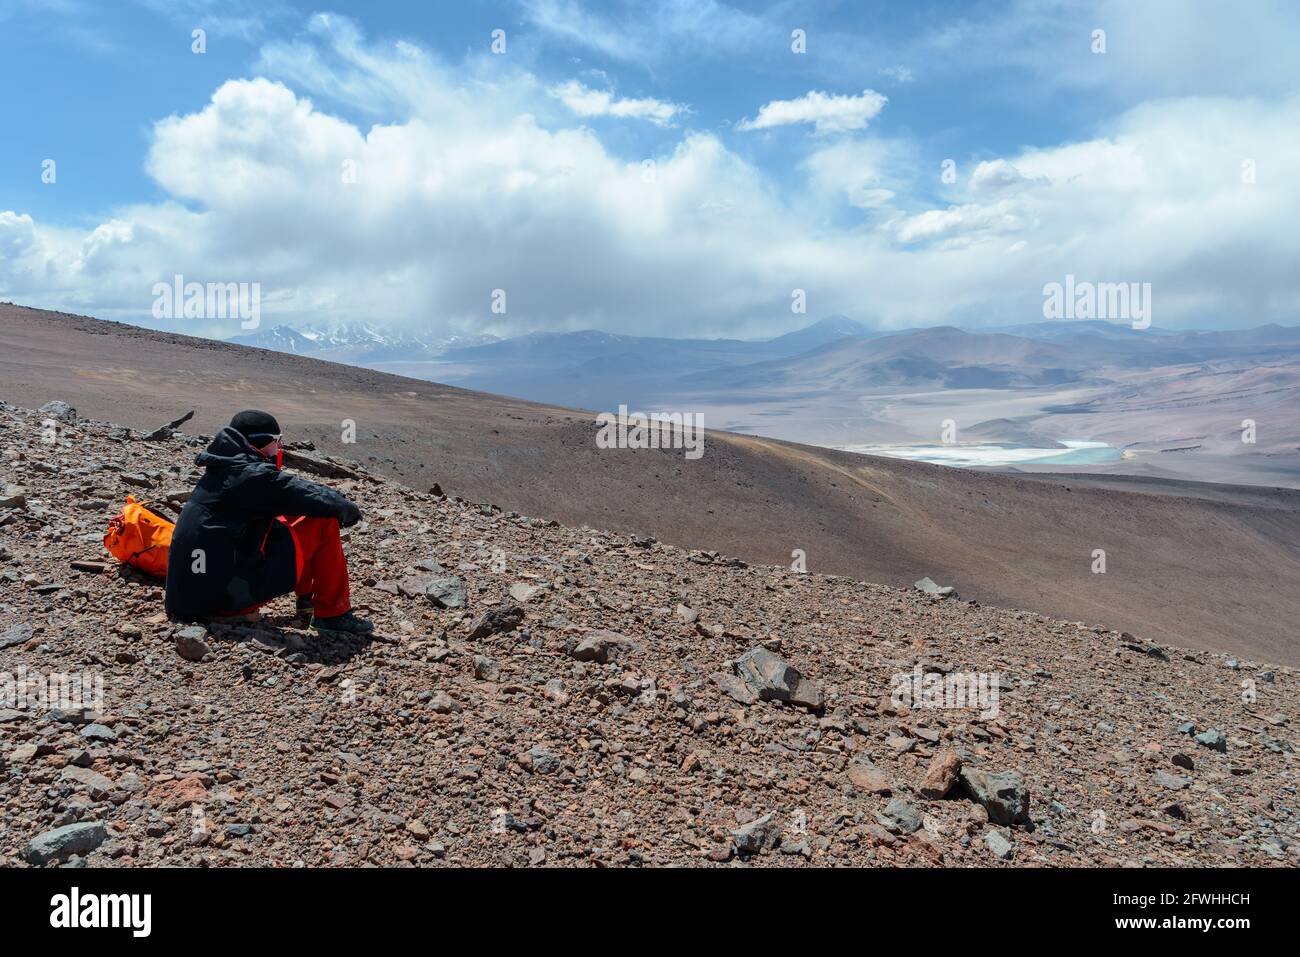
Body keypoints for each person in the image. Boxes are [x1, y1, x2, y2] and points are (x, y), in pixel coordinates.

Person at [164, 410, 374, 635]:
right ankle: (334, 615)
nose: (279, 447)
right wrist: (348, 510)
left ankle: (308, 603)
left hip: (188, 597)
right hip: (218, 600)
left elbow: (289, 499)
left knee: (287, 520)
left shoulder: (225, 468)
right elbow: (307, 496)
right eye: (278, 441)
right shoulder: (252, 474)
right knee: (323, 521)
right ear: (263, 441)